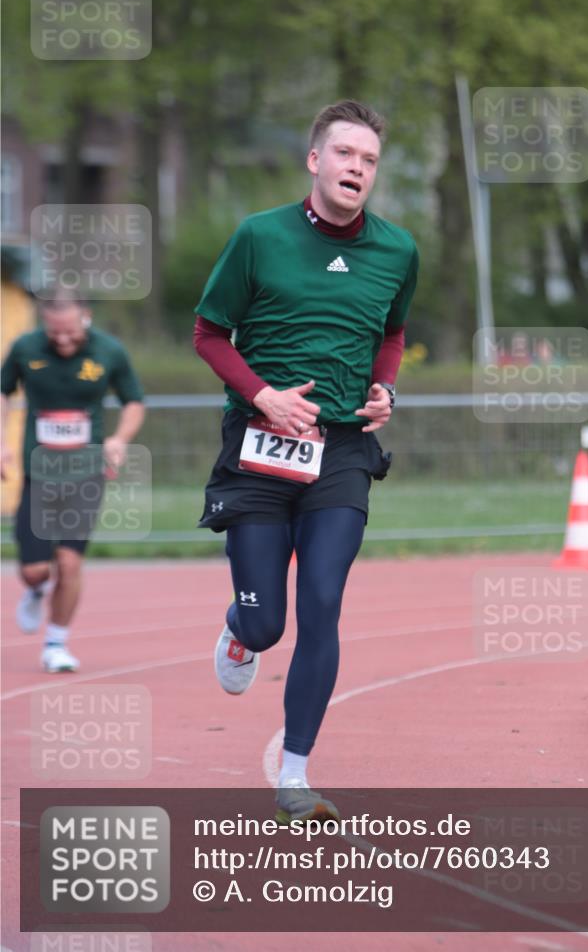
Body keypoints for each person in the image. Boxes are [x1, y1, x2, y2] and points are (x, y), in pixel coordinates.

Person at [194, 100, 418, 822]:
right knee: (268, 626)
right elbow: (208, 333)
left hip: (343, 450)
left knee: (323, 601)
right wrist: (263, 395)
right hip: (259, 448)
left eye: (369, 159)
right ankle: (239, 629)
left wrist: (384, 386)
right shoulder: (259, 237)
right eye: (345, 154)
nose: (357, 167)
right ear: (315, 160)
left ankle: (293, 774)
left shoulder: (397, 250)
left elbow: (392, 332)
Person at [1, 297, 145, 673]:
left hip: (86, 473)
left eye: (70, 331)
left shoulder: (109, 351)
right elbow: (4, 392)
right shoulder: (25, 348)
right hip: (40, 471)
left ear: (86, 317)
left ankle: (56, 645)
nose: (63, 340)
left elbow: (134, 401)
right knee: (35, 569)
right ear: (43, 323)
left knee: (68, 563)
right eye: (55, 332)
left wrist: (119, 439)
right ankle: (35, 590)